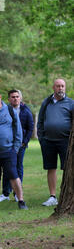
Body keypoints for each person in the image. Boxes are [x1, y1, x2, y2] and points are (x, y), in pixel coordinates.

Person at [37, 79, 73, 207]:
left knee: (67, 169)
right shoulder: (46, 102)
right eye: (58, 86)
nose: (60, 88)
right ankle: (52, 196)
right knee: (51, 168)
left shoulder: (71, 103)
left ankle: (66, 195)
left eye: (62, 86)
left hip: (65, 142)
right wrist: (41, 138)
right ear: (53, 87)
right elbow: (40, 121)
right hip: (48, 142)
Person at [0, 90, 34, 202]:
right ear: (9, 99)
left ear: (20, 98)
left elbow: (30, 127)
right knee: (7, 167)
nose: (15, 98)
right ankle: (5, 193)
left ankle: (17, 193)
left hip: (21, 145)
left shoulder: (25, 111)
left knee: (18, 167)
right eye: (13, 97)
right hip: (8, 144)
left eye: (17, 96)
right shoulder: (5, 110)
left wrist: (24, 142)